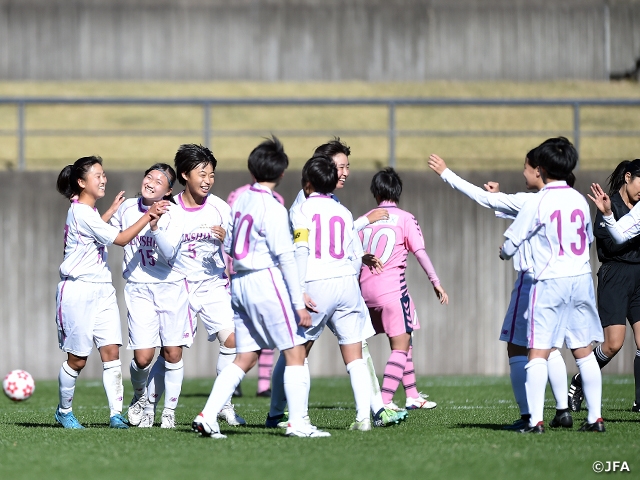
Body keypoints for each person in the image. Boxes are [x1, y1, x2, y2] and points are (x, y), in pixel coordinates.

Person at [192, 136, 330, 438]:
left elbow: (228, 241)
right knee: (295, 351)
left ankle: (208, 415)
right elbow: (285, 257)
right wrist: (297, 302)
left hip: (238, 283)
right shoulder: (274, 207)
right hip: (263, 280)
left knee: (246, 356)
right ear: (281, 174)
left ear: (253, 170)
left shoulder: (241, 200)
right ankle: (297, 423)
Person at [428, 152, 573, 429]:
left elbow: (485, 200)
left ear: (540, 171)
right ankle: (563, 410)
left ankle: (529, 417)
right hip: (564, 281)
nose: (524, 173)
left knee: (517, 347)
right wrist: (500, 196)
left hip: (533, 281)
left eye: (527, 168)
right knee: (551, 346)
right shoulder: (569, 200)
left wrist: (446, 173)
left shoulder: (532, 200)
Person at [281, 138, 402, 425]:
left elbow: (301, 249)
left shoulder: (302, 208)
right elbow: (352, 247)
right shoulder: (343, 211)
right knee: (356, 355)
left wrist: (297, 290)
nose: (344, 172)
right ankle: (365, 417)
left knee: (296, 352)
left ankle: (294, 416)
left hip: (316, 283)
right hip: (346, 284)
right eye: (341, 167)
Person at [500, 137, 604, 433]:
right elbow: (588, 238)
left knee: (537, 350)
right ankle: (595, 418)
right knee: (583, 350)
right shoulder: (579, 200)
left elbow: (512, 241)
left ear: (542, 169)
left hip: (551, 282)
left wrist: (504, 251)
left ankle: (535, 421)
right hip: (581, 278)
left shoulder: (540, 200)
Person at [55, 156, 167, 429]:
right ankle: (64, 410)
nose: (103, 179)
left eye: (103, 174)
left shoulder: (87, 212)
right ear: (81, 182)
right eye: (97, 175)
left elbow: (94, 235)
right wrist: (148, 215)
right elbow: (121, 239)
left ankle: (115, 414)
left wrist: (108, 212)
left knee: (111, 353)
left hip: (103, 290)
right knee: (77, 360)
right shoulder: (81, 212)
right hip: (78, 289)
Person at [360, 167, 448, 413]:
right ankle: (385, 403)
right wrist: (435, 281)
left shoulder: (365, 219)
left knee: (405, 338)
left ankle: (412, 395)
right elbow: (419, 252)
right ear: (398, 191)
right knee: (400, 346)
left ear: (375, 192)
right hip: (392, 292)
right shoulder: (406, 218)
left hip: (365, 293)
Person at [172, 144, 245, 425]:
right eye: (201, 173)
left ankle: (224, 405)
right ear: (184, 175)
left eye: (211, 175)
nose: (207, 180)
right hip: (179, 287)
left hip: (213, 284)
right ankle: (146, 403)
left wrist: (228, 238)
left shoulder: (220, 208)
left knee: (233, 341)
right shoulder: (170, 209)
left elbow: (241, 247)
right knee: (171, 352)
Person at [112, 163, 189, 429]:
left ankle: (168, 411)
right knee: (142, 358)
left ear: (168, 191)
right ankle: (139, 396)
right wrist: (110, 211)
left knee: (172, 352)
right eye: (149, 176)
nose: (152, 182)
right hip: (138, 288)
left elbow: (169, 254)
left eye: (160, 180)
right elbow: (109, 233)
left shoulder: (175, 215)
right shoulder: (127, 207)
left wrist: (155, 227)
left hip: (171, 288)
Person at [584, 160, 640, 413]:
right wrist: (626, 229)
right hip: (615, 275)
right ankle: (578, 381)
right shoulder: (608, 203)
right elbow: (610, 244)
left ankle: (639, 401)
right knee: (613, 344)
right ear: (628, 177)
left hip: (639, 276)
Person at [226, 182, 285, 399]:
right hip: (262, 275)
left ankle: (243, 384)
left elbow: (228, 239)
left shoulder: (238, 195)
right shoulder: (275, 201)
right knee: (275, 336)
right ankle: (263, 386)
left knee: (239, 334)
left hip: (237, 273)